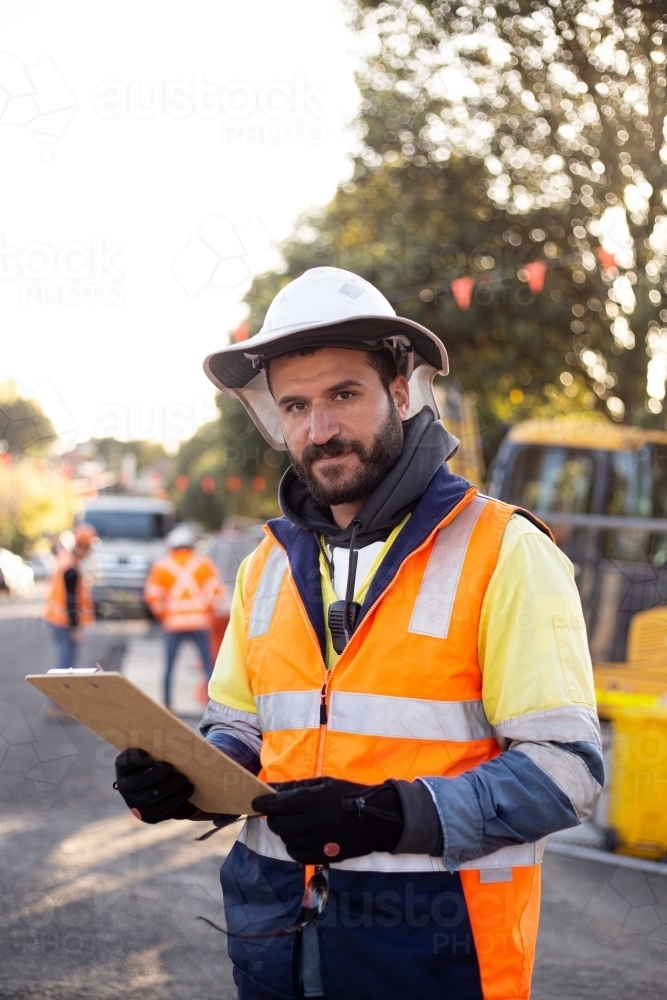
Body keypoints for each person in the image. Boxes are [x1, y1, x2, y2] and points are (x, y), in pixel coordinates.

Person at [115, 267, 603, 1000]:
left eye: (344, 395)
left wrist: (389, 814)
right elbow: (240, 729)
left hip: (437, 952)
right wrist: (188, 777)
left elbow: (567, 773)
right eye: (295, 405)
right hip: (274, 933)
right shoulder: (267, 564)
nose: (319, 430)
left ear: (400, 392)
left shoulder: (503, 550)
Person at [144, 523, 225, 710]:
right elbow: (216, 590)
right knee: (207, 665)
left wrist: (164, 614)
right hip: (200, 622)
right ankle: (214, 704)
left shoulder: (162, 565)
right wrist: (206, 610)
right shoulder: (203, 563)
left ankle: (167, 703)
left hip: (173, 624)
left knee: (169, 666)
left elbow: (152, 596)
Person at [44, 523, 97, 669]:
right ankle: (61, 691)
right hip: (64, 622)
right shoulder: (71, 569)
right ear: (81, 547)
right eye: (88, 549)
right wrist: (75, 628)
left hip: (54, 619)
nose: (89, 553)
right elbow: (71, 600)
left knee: (64, 659)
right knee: (67, 663)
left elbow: (56, 550)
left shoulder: (66, 559)